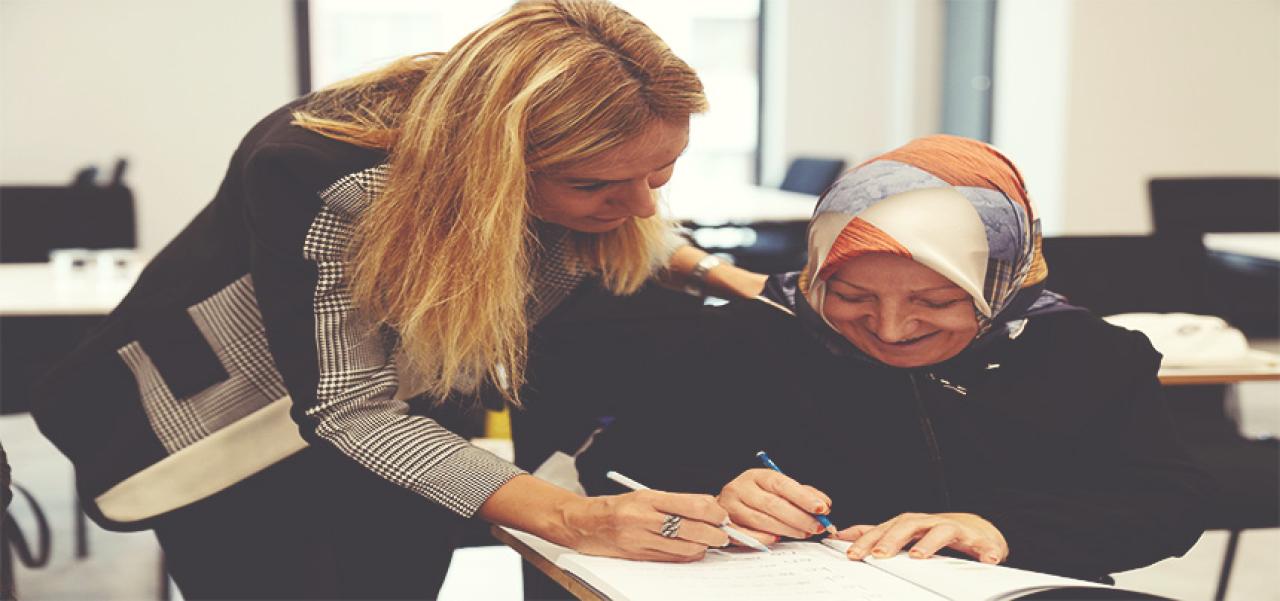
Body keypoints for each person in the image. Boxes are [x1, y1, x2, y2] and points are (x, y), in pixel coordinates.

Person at [31, 1, 765, 598]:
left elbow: (615, 215)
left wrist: (709, 270)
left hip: (406, 406)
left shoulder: (574, 154)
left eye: (662, 171)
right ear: (495, 166)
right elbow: (349, 407)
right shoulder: (329, 175)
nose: (641, 205)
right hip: (236, 427)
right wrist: (573, 518)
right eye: (593, 184)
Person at [578, 135, 1209, 583]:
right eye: (851, 296)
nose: (890, 328)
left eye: (935, 301)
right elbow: (614, 465)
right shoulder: (750, 336)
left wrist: (1000, 530)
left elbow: (1167, 506)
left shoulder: (1085, 354)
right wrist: (718, 494)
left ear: (1000, 283)